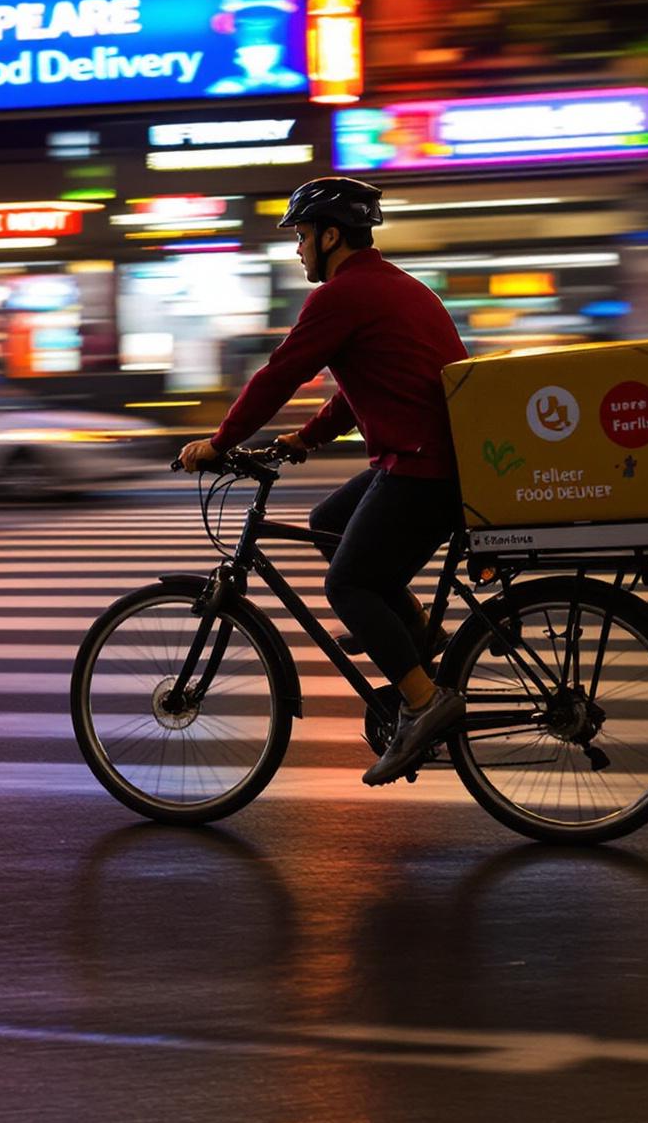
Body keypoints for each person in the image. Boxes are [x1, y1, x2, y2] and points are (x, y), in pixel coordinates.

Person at [178, 177, 468, 786]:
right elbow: (358, 389)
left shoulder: (342, 295)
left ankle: (423, 701)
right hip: (427, 458)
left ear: (331, 236)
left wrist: (219, 442)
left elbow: (280, 374)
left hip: (422, 466)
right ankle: (415, 631)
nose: (298, 250)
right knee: (328, 522)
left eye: (303, 237)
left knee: (350, 584)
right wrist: (302, 440)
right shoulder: (391, 286)